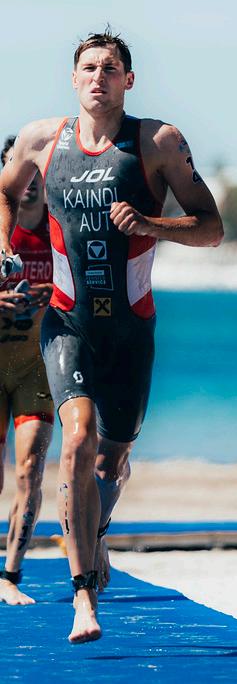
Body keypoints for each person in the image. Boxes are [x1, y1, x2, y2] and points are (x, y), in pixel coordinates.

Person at [0, 30, 223, 643]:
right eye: (89, 68)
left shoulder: (158, 142)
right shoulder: (41, 140)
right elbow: (4, 189)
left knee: (111, 460)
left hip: (131, 329)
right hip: (67, 322)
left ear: (128, 80)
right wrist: (3, 247)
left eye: (110, 68)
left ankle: (93, 531)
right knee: (76, 438)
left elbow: (212, 229)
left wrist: (152, 223)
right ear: (73, 79)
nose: (98, 77)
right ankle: (82, 597)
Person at [0, 137, 54, 605]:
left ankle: (11, 574)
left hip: (37, 368)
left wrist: (55, 298)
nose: (29, 181)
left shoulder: (60, 230)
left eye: (35, 171)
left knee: (31, 471)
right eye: (18, 169)